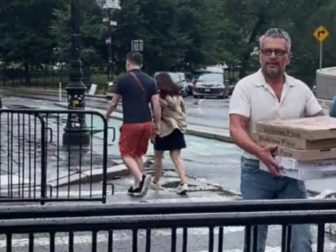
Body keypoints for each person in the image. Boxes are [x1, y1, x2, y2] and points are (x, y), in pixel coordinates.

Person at [229, 28, 324, 252]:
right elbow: (236, 128)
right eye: (268, 51)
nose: (273, 56)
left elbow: (320, 123)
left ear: (288, 57)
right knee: (254, 237)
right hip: (256, 171)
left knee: (301, 239)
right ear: (260, 55)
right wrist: (258, 151)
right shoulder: (245, 87)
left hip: (292, 173)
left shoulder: (300, 89)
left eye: (279, 52)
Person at [105, 51, 161, 197]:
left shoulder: (123, 80)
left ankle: (141, 179)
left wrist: (106, 116)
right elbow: (156, 104)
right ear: (140, 64)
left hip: (131, 122)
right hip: (147, 123)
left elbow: (114, 103)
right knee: (138, 154)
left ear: (128, 63)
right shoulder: (150, 80)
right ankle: (137, 185)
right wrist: (157, 123)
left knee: (126, 154)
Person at [152, 72, 188, 195]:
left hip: (164, 129)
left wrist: (154, 127)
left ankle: (156, 180)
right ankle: (184, 182)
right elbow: (183, 110)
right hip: (178, 128)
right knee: (177, 157)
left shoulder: (159, 97)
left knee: (158, 156)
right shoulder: (177, 95)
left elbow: (156, 113)